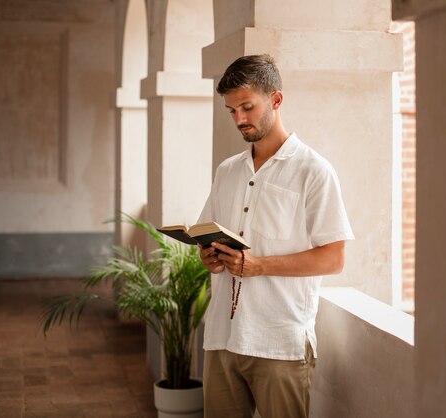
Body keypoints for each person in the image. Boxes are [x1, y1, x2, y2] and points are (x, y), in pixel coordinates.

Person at [197, 54, 354, 418]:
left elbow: (334, 257)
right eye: (231, 110)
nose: (239, 119)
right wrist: (208, 257)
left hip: (279, 342)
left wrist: (258, 265)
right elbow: (208, 234)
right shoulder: (227, 171)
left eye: (247, 107)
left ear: (276, 100)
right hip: (222, 336)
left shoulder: (314, 172)